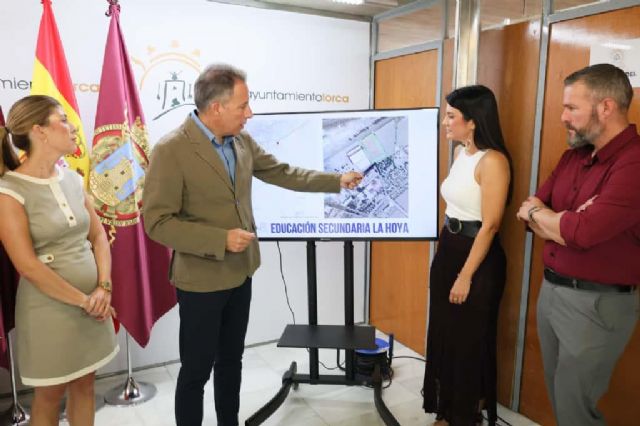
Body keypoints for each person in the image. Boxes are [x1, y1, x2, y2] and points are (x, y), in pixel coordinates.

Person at [142, 63, 362, 426]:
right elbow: (157, 222)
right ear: (216, 108)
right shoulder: (172, 149)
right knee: (196, 370)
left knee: (231, 361)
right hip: (200, 281)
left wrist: (335, 180)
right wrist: (220, 239)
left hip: (240, 272)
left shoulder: (242, 141)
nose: (250, 113)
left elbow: (283, 172)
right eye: (243, 105)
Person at [517, 63, 640, 426]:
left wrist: (557, 220)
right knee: (561, 398)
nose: (563, 117)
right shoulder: (574, 156)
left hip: (596, 304)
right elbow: (528, 209)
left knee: (576, 409)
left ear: (606, 107)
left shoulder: (633, 162)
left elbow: (585, 232)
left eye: (571, 107)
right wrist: (557, 219)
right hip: (553, 293)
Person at [0, 95, 118, 426]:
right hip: (48, 311)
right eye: (63, 120)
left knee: (85, 385)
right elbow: (27, 266)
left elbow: (99, 237)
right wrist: (86, 301)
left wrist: (104, 288)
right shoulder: (9, 191)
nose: (73, 127)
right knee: (49, 396)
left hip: (94, 303)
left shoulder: (73, 179)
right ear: (39, 131)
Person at [423, 85, 512, 426]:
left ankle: (464, 415)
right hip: (450, 248)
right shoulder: (462, 152)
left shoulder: (494, 161)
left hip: (477, 260)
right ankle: (447, 410)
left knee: (468, 340)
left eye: (451, 116)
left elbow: (490, 225)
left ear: (472, 121)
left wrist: (465, 276)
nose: (445, 122)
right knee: (446, 333)